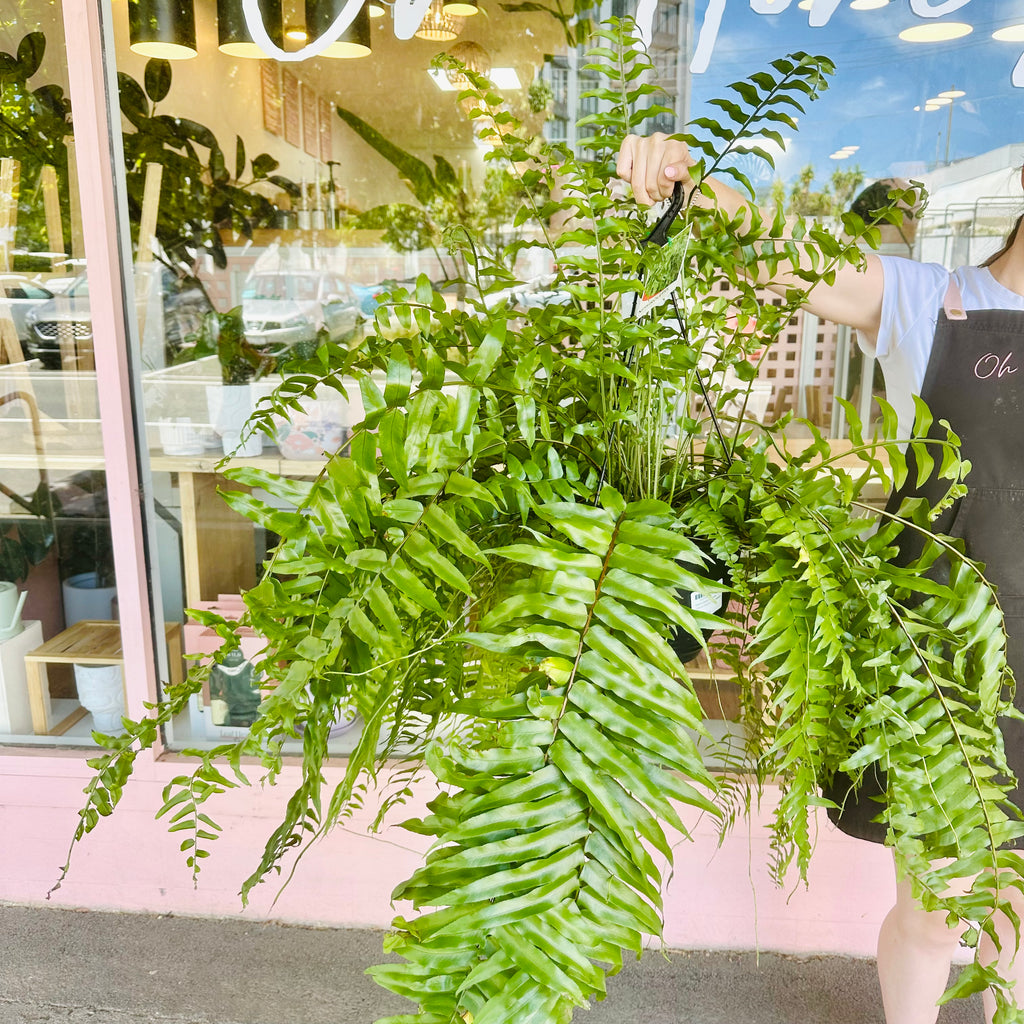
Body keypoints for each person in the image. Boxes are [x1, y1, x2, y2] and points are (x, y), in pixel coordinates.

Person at [617, 132, 1024, 1024]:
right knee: (934, 909)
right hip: (943, 669)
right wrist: (690, 178)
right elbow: (782, 253)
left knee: (1020, 920)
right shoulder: (934, 302)